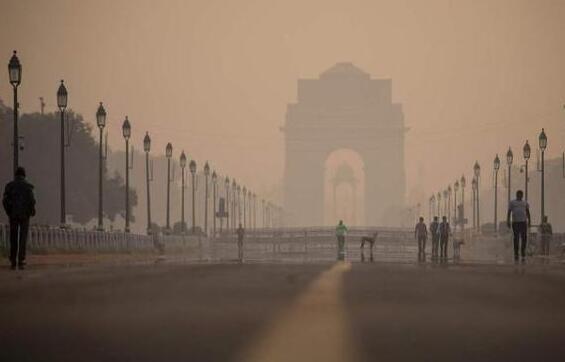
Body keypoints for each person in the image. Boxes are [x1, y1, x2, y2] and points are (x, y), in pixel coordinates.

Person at [2, 167, 36, 270]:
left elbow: (4, 200)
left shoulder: (10, 186)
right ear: (24, 175)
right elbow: (32, 201)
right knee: (22, 238)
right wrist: (31, 211)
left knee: (13, 237)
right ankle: (21, 260)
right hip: (25, 216)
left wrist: (9, 211)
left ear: (15, 175)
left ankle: (13, 260)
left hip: (13, 215)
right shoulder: (28, 187)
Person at [507, 190, 531, 262]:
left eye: (521, 195)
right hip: (515, 222)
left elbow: (527, 212)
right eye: (519, 194)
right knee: (516, 238)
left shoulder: (525, 203)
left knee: (524, 238)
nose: (520, 196)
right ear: (516, 195)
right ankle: (516, 252)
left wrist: (529, 221)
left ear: (522, 195)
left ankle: (523, 251)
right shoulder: (512, 202)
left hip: (523, 222)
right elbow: (509, 212)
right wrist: (508, 221)